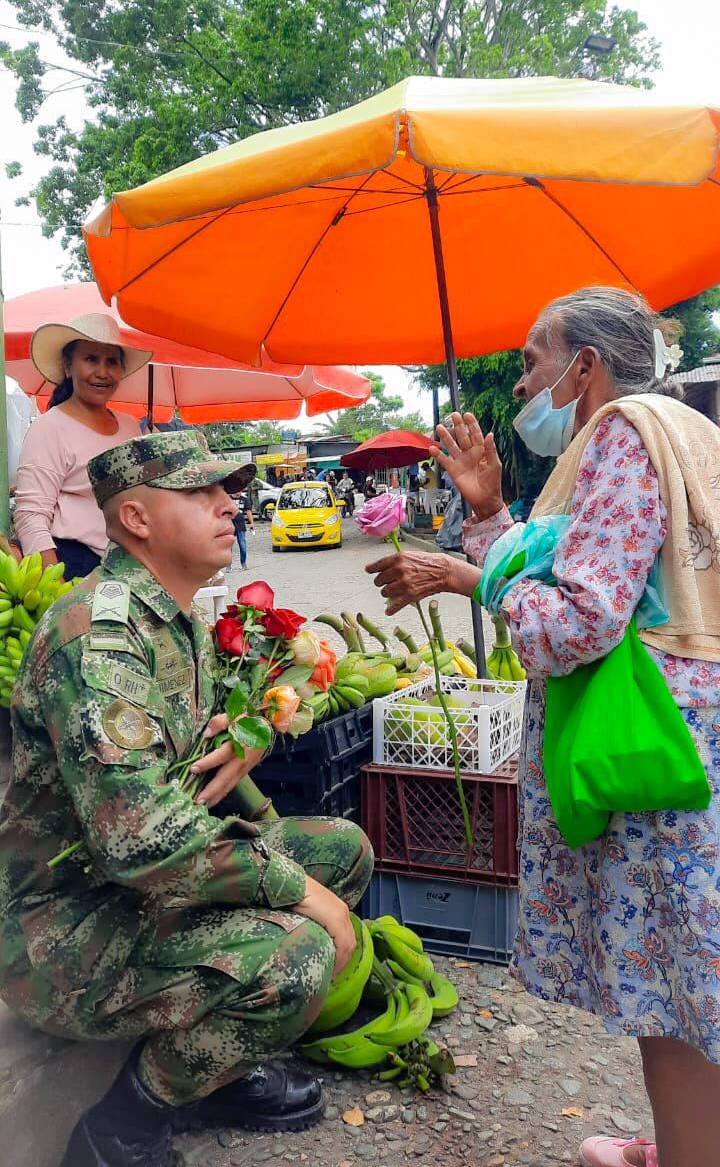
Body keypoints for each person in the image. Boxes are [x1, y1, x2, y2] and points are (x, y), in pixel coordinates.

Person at [366, 286, 720, 1167]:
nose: (521, 383)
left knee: (677, 991)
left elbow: (578, 623)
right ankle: (685, 1141)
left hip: (647, 752)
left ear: (585, 367)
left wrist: (464, 574)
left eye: (533, 358)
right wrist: (490, 518)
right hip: (680, 738)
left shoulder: (623, 435)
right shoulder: (684, 431)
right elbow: (598, 568)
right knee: (687, 980)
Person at [0, 429, 373, 1167]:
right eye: (200, 492)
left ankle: (219, 1061)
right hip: (62, 926)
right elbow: (139, 832)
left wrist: (243, 740)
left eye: (225, 490)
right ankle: (119, 1130)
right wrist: (298, 893)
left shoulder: (171, 619)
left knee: (341, 850)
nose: (227, 504)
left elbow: (178, 775)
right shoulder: (100, 634)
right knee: (296, 951)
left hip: (134, 890)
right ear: (136, 519)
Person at [15, 312, 151, 579]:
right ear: (68, 365)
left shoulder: (130, 427)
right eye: (90, 359)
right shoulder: (49, 428)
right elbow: (31, 516)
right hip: (74, 565)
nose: (102, 372)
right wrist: (57, 589)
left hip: (129, 563)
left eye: (111, 361)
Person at [232, 487, 255, 570]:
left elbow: (248, 512)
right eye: (236, 490)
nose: (238, 492)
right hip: (229, 526)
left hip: (240, 525)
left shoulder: (244, 500)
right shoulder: (227, 499)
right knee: (228, 547)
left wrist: (252, 523)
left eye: (240, 490)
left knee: (242, 545)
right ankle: (228, 565)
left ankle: (243, 562)